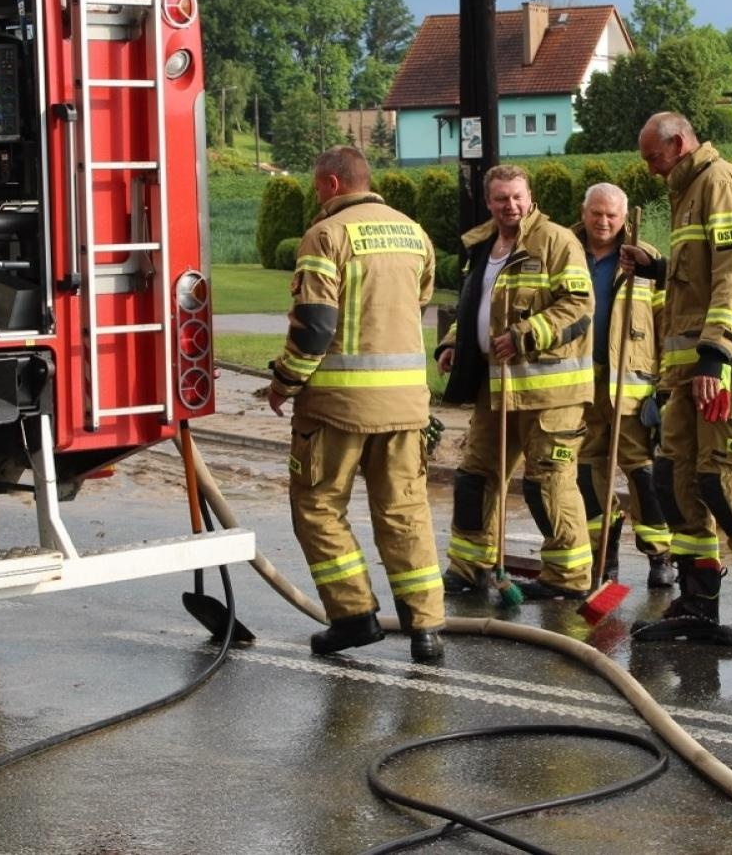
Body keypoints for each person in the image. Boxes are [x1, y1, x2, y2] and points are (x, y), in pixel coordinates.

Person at [266, 146, 446, 662]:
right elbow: (418, 304)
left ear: (329, 184)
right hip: (407, 405)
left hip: (337, 409)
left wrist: (285, 383)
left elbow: (316, 326)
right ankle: (426, 630)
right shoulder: (414, 232)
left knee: (318, 507)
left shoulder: (326, 235)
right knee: (405, 512)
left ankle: (352, 617)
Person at [624, 112, 732, 645]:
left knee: (726, 482)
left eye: (654, 158)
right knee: (678, 479)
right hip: (692, 376)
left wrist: (715, 357)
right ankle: (698, 599)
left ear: (678, 144)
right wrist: (657, 268)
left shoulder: (718, 182)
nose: (651, 170)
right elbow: (699, 273)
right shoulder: (690, 189)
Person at [436, 164, 595, 601]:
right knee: (474, 477)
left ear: (530, 196)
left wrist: (526, 335)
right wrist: (454, 344)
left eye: (518, 197)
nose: (511, 206)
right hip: (497, 388)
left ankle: (568, 576)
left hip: (551, 393)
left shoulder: (557, 241)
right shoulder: (485, 245)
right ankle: (469, 567)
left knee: (547, 482)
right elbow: (476, 307)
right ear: (489, 202)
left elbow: (580, 305)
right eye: (502, 198)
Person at [572, 182, 674, 590]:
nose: (603, 221)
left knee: (643, 473)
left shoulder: (645, 260)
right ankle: (604, 555)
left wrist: (666, 381)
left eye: (612, 215)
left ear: (625, 217)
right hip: (579, 383)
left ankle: (660, 556)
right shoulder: (564, 252)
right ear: (584, 213)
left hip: (630, 388)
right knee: (585, 472)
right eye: (597, 213)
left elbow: (667, 325)